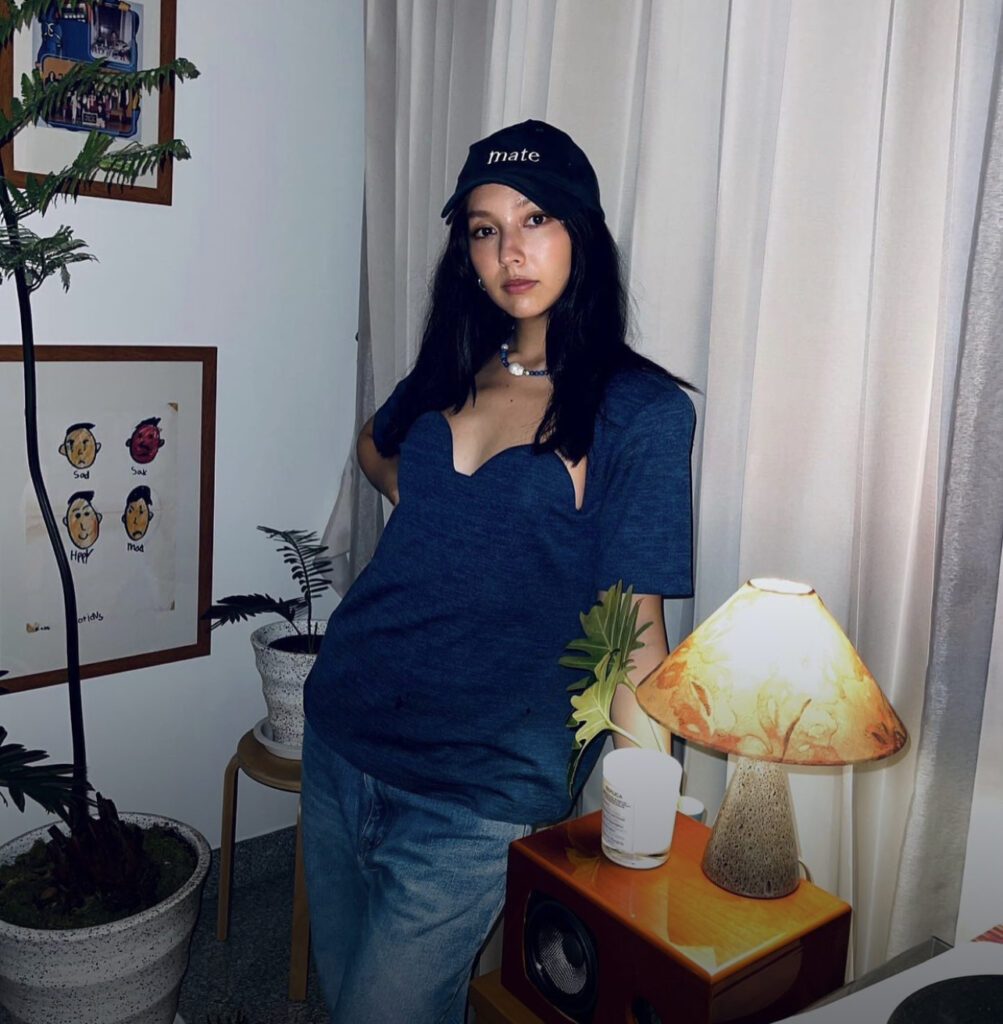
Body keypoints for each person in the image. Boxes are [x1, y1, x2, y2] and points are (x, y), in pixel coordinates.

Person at [301, 119, 695, 1022]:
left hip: (478, 787)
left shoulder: (640, 413)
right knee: (340, 991)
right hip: (344, 727)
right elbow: (374, 448)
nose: (508, 251)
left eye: (534, 219)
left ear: (581, 231)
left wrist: (641, 830)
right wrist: (434, 508)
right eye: (484, 229)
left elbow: (635, 636)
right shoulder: (452, 368)